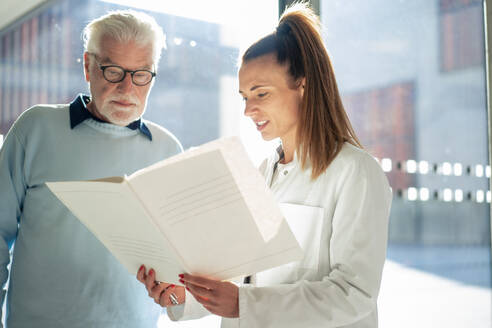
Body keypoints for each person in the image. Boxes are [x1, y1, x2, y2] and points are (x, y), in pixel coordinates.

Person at [138, 3, 392, 327]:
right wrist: (182, 294)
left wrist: (244, 303)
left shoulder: (355, 173)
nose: (248, 109)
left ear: (303, 84)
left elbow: (352, 295)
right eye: (244, 96)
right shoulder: (262, 172)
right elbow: (242, 280)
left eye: (261, 94)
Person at [0, 10, 182, 327]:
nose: (128, 88)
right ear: (88, 66)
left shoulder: (168, 151)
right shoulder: (35, 128)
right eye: (113, 71)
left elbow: (182, 260)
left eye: (141, 74)